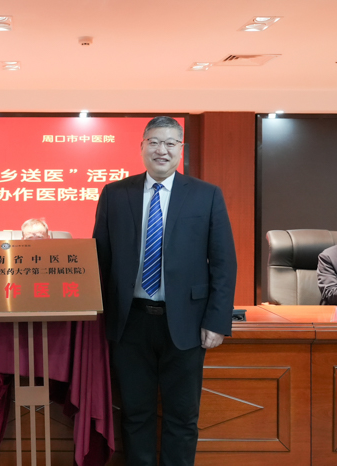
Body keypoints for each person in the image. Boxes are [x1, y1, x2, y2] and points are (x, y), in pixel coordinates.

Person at [92, 116, 237, 465]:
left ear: (180, 150)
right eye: (155, 142)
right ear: (142, 146)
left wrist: (216, 321)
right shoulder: (115, 194)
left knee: (182, 416)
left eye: (171, 143)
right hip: (131, 322)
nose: (162, 150)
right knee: (135, 413)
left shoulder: (206, 194)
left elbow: (223, 262)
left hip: (187, 322)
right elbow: (100, 258)